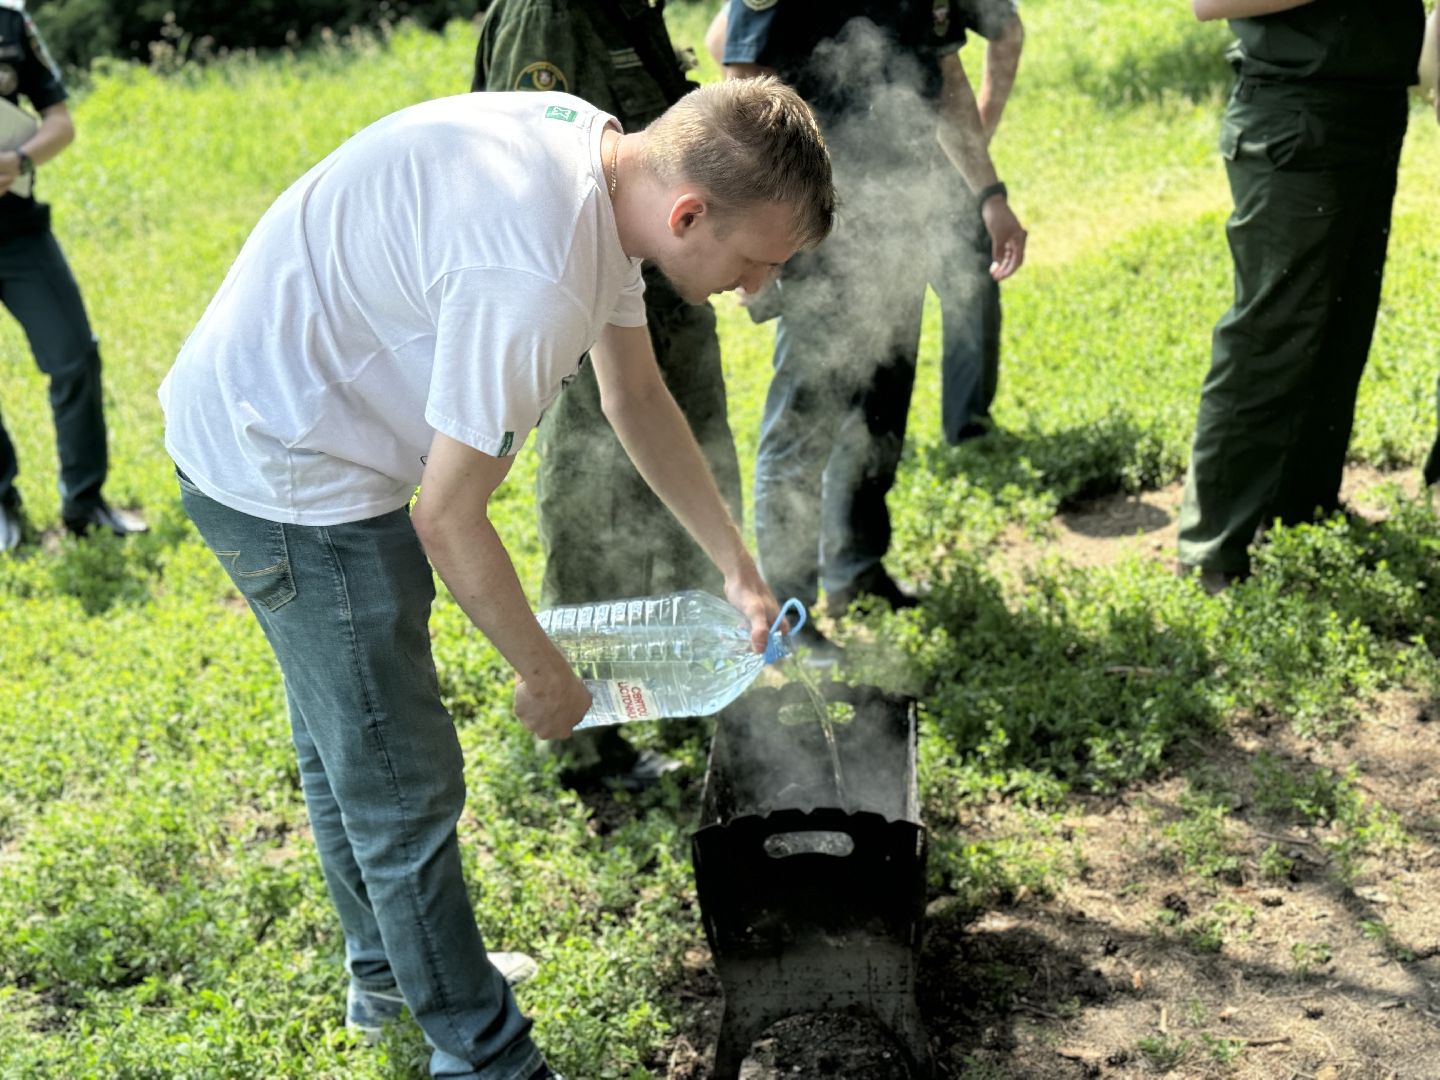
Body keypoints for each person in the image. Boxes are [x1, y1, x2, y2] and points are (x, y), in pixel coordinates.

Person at [159, 80, 833, 1079]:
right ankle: (483, 1055)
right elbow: (447, 514)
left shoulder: (602, 168)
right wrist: (546, 674)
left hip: (271, 419)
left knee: (351, 745)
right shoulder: (539, 271)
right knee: (399, 779)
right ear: (690, 213)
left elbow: (635, 395)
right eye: (754, 263)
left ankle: (392, 977)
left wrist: (737, 567)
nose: (750, 290)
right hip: (286, 467)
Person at [473, 0, 744, 790]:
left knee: (697, 474)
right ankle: (585, 745)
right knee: (597, 505)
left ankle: (700, 685)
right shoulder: (548, 11)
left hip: (673, 281)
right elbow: (526, 173)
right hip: (592, 288)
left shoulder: (633, 7)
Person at [721, 0, 1026, 637]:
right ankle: (789, 611)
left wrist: (988, 194)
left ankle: (857, 573)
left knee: (882, 412)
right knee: (805, 427)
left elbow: (944, 80)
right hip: (814, 231)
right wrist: (753, 236)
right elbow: (742, 93)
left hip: (903, 222)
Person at [1177, 0, 1423, 591]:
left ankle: (1301, 511)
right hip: (1295, 112)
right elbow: (1208, 3)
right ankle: (1211, 548)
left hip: (1370, 107)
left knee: (1341, 328)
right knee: (1270, 333)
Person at [0, 0, 145, 552]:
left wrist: (22, 161)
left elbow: (59, 121)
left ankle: (85, 502)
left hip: (19, 231)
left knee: (75, 357)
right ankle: (2, 503)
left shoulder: (10, 24)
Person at [930, 0, 1023, 446]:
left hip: (916, 151)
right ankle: (969, 432)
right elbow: (1009, 34)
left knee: (967, 281)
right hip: (853, 165)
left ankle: (968, 430)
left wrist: (975, 151)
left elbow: (1006, 31)